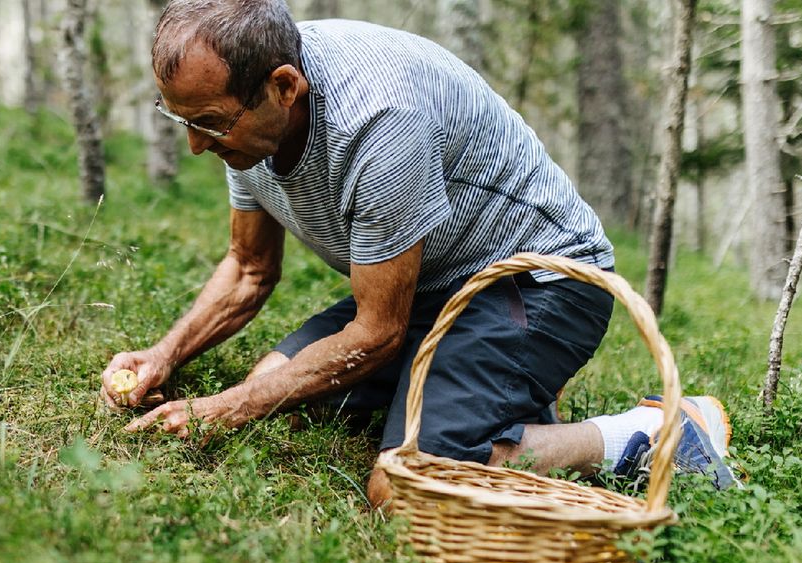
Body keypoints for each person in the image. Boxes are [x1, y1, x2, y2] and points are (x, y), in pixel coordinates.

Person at [100, 0, 739, 507]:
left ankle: (653, 434)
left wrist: (222, 408)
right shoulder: (244, 122)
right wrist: (165, 356)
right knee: (271, 388)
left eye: (209, 123)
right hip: (428, 286)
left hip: (539, 285)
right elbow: (248, 269)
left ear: (284, 87)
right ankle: (495, 400)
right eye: (182, 120)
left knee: (401, 486)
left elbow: (376, 332)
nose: (195, 146)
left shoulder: (379, 121)